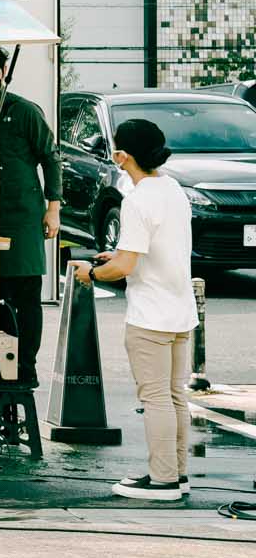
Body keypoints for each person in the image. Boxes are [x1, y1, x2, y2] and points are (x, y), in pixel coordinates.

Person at [70, 118, 195, 502]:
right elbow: (153, 248)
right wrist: (120, 256)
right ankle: (177, 473)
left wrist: (92, 273)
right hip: (180, 310)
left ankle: (162, 481)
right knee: (174, 396)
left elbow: (124, 267)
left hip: (150, 316)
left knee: (155, 398)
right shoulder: (173, 189)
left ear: (122, 156)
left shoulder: (137, 200)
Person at [0, 50, 62, 389]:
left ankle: (26, 367)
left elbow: (51, 157)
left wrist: (54, 208)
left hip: (23, 215)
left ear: (3, 70)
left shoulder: (24, 111)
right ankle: (0, 361)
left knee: (26, 294)